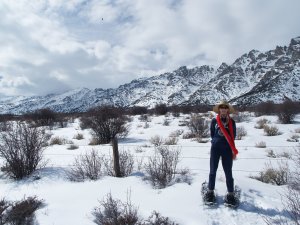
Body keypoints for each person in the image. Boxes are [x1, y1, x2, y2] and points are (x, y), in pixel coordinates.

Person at [203, 100, 239, 206]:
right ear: (219, 109)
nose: (223, 109)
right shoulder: (214, 121)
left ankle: (231, 194)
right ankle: (210, 192)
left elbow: (233, 137)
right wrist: (216, 142)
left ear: (228, 109)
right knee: (213, 170)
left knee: (228, 172)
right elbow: (212, 134)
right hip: (215, 149)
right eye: (221, 107)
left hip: (227, 150)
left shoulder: (232, 122)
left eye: (225, 107)